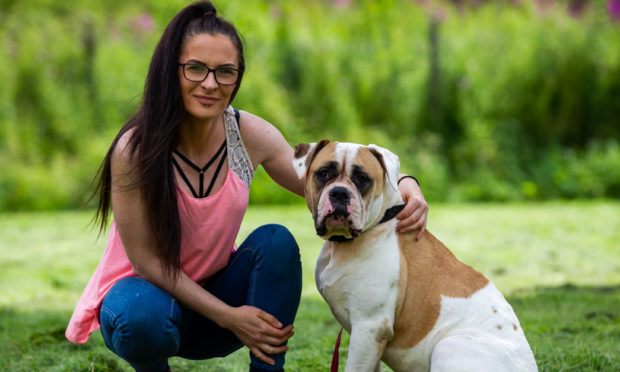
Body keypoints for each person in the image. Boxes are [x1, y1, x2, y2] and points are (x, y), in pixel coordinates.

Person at [65, 2, 429, 371]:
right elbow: (147, 264)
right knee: (141, 315)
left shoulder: (248, 134)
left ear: (237, 78)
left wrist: (405, 183)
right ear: (171, 70)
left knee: (276, 243)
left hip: (213, 304)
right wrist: (230, 317)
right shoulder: (134, 150)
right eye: (195, 68)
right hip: (144, 303)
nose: (210, 84)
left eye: (225, 72)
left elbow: (321, 176)